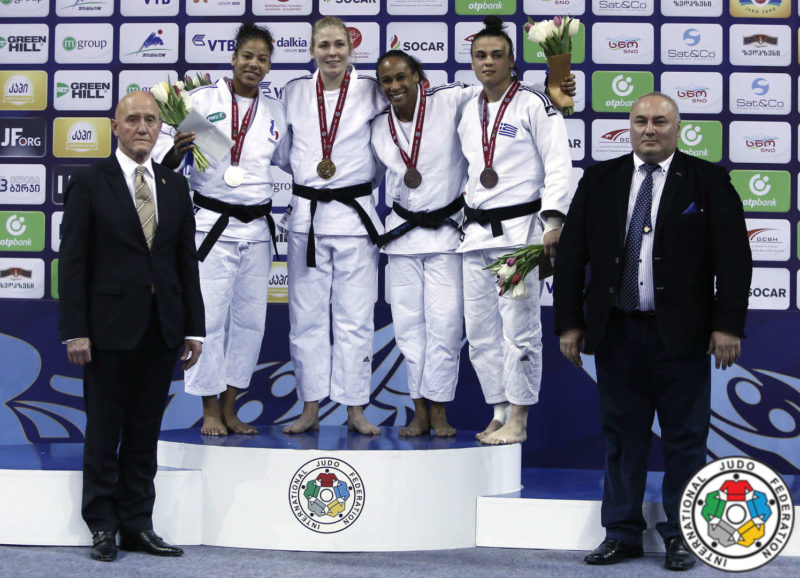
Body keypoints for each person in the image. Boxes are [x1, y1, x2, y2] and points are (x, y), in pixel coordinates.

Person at [553, 92, 752, 570]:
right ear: (630, 126)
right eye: (640, 120)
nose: (649, 129)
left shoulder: (707, 180)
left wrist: (727, 326)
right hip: (616, 332)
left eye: (660, 121)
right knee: (622, 437)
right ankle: (621, 533)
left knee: (685, 437)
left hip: (682, 335)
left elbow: (734, 258)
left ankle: (683, 535)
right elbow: (571, 257)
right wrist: (570, 324)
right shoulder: (599, 179)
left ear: (677, 128)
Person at [59, 91, 205, 562]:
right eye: (133, 119)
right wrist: (75, 329)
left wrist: (194, 328)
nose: (143, 127)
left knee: (144, 434)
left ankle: (138, 524)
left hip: (162, 330)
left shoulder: (174, 185)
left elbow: (185, 262)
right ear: (115, 126)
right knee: (104, 432)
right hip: (106, 332)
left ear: (161, 127)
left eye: (151, 120)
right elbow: (73, 263)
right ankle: (102, 524)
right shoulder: (89, 183)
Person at [158, 23, 288, 436]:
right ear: (233, 58)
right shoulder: (199, 101)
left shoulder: (276, 111)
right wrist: (176, 150)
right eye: (247, 56)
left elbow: (289, 160)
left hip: (257, 230)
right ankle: (209, 408)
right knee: (208, 320)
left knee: (250, 323)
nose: (254, 64)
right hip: (211, 228)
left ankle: (231, 407)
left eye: (262, 59)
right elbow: (164, 160)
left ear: (269, 66)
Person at [457, 16, 573, 446]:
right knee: (481, 333)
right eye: (480, 55)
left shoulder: (533, 103)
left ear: (511, 61)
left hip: (517, 239)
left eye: (497, 55)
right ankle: (499, 411)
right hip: (475, 237)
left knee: (518, 329)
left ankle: (519, 418)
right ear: (472, 61)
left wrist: (553, 222)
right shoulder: (468, 109)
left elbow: (558, 163)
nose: (488, 62)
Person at [279, 16, 386, 436]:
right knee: (305, 318)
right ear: (311, 50)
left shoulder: (372, 92)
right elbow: (282, 151)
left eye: (339, 44)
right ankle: (310, 407)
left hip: (355, 217)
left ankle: (355, 407)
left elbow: (388, 147)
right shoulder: (293, 92)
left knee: (355, 318)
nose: (332, 53)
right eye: (323, 45)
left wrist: (359, 184)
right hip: (306, 219)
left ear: (351, 48)